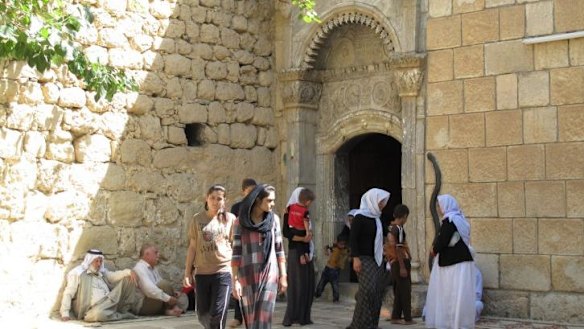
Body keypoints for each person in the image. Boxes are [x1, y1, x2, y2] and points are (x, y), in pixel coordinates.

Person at [231, 184, 288, 328]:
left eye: (273, 200)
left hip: (269, 273)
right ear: (257, 200)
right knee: (251, 321)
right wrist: (235, 280)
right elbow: (236, 252)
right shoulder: (240, 222)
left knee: (263, 318)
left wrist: (283, 276)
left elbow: (279, 249)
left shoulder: (273, 220)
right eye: (269, 200)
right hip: (247, 275)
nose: (273, 204)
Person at [184, 184, 236, 329]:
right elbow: (193, 247)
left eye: (219, 198)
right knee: (202, 314)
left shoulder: (230, 219)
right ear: (206, 199)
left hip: (223, 272)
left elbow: (236, 248)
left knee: (217, 315)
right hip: (202, 273)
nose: (215, 201)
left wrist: (236, 276)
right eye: (212, 198)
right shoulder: (197, 219)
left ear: (224, 201)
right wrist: (187, 272)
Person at [424, 194, 476, 329]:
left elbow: (443, 240)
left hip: (452, 263)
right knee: (459, 292)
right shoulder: (461, 219)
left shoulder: (450, 220)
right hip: (463, 261)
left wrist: (434, 250)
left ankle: (451, 322)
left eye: (440, 205)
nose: (439, 208)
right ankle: (458, 322)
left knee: (450, 292)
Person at [346, 188, 390, 329]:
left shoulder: (377, 218)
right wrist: (355, 258)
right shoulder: (360, 217)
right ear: (372, 200)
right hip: (363, 258)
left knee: (377, 291)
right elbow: (353, 239)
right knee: (367, 290)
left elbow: (383, 236)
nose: (383, 204)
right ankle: (360, 324)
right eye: (380, 201)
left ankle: (371, 324)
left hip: (377, 260)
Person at [60, 249, 141, 322]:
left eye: (100, 261)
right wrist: (65, 313)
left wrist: (129, 272)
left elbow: (114, 276)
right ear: (89, 261)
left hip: (111, 301)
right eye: (96, 261)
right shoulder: (77, 273)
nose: (99, 264)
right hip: (96, 308)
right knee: (96, 315)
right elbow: (68, 293)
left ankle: (121, 311)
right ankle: (123, 315)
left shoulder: (102, 272)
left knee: (129, 279)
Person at [282, 187, 315, 327]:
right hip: (296, 251)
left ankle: (304, 317)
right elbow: (287, 233)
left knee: (307, 285)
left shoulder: (304, 213)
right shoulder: (289, 212)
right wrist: (303, 239)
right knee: (297, 285)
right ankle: (292, 316)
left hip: (305, 250)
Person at [228, 178, 257, 328]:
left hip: (255, 251)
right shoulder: (237, 207)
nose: (252, 194)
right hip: (241, 249)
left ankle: (253, 316)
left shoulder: (259, 207)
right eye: (249, 191)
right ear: (243, 191)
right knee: (239, 283)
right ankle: (238, 316)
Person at [133, 243, 187, 316]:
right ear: (146, 254)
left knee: (183, 297)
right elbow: (150, 290)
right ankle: (173, 308)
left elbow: (161, 286)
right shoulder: (139, 268)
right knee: (164, 284)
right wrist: (169, 299)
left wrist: (174, 293)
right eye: (155, 252)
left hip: (155, 299)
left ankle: (168, 311)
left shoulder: (153, 268)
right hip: (143, 306)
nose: (158, 255)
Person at [386, 204, 415, 325]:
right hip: (400, 261)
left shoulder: (390, 228)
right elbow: (398, 248)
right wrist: (403, 266)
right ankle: (408, 318)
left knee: (399, 291)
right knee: (405, 291)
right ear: (404, 216)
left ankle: (396, 316)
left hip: (394, 261)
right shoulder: (399, 229)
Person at [314, 233, 350, 302]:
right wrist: (327, 250)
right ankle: (317, 294)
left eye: (343, 244)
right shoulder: (334, 248)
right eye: (340, 244)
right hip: (328, 269)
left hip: (335, 270)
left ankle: (336, 299)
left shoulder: (344, 251)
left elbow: (347, 255)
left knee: (335, 286)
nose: (342, 246)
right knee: (321, 284)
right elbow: (326, 249)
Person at [286, 188, 316, 264]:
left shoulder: (290, 208)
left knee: (303, 242)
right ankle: (304, 254)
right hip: (294, 249)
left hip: (293, 228)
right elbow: (286, 232)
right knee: (303, 241)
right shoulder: (305, 211)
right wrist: (307, 232)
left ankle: (303, 255)